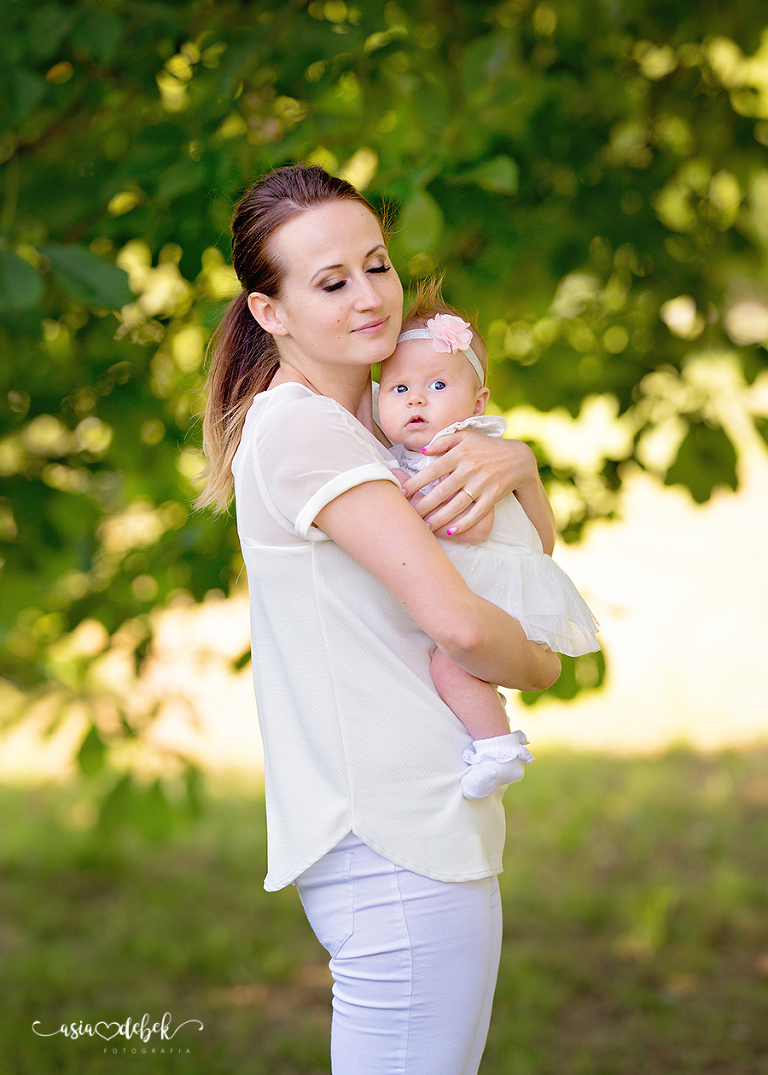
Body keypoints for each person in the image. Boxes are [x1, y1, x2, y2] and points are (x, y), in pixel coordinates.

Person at [197, 164, 561, 1075]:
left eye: (378, 265)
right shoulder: (305, 433)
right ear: (269, 312)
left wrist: (517, 463)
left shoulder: (384, 415)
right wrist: (545, 668)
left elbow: (527, 558)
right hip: (390, 836)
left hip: (421, 819)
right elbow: (468, 627)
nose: (371, 296)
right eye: (331, 282)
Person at [376, 283, 600, 801]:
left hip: (492, 586)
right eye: (399, 389)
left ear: (477, 402)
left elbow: (470, 526)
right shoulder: (411, 453)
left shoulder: (461, 446)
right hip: (480, 587)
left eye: (436, 386)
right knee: (459, 670)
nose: (415, 400)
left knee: (449, 665)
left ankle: (500, 746)